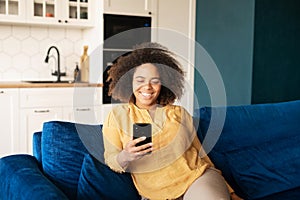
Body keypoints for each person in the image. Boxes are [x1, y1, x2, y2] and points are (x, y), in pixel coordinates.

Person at [102, 42, 242, 200]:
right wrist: (126, 155)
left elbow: (200, 155)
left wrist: (229, 192)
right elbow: (111, 158)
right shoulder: (117, 116)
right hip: (155, 193)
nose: (147, 87)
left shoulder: (179, 113)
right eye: (140, 80)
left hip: (197, 179)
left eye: (154, 81)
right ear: (129, 82)